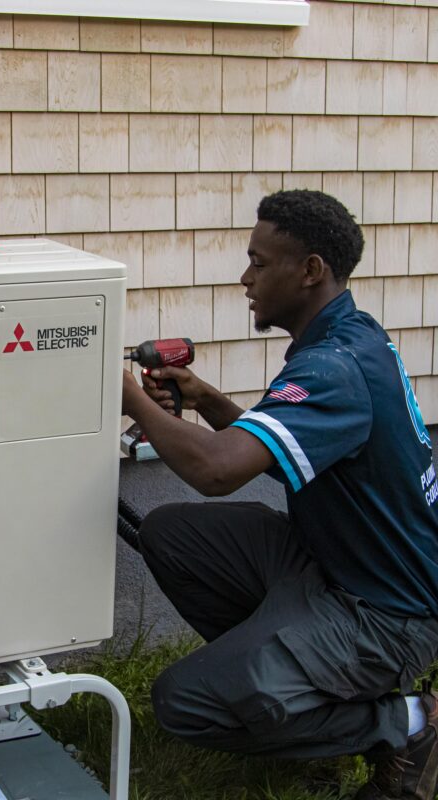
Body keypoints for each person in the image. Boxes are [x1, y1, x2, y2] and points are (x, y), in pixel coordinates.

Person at [122, 190, 438, 799]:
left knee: (182, 702)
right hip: (336, 568)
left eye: (259, 263)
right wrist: (208, 400)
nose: (246, 278)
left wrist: (122, 393)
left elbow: (218, 473)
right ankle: (281, 691)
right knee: (170, 534)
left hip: (385, 615)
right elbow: (288, 455)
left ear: (311, 270)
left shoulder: (334, 368)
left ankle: (409, 724)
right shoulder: (351, 337)